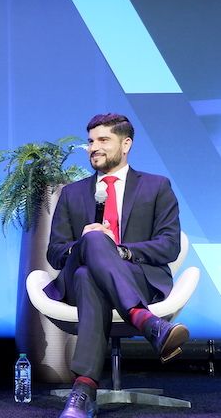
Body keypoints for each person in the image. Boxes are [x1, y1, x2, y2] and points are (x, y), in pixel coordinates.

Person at [45, 113, 189, 418]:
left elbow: (169, 244)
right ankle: (147, 322)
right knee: (93, 242)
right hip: (77, 276)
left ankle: (83, 390)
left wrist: (120, 251)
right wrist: (84, 243)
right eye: (90, 141)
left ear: (126, 144)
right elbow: (55, 253)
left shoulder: (156, 186)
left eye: (102, 140)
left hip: (137, 276)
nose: (93, 148)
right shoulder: (72, 193)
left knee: (89, 274)